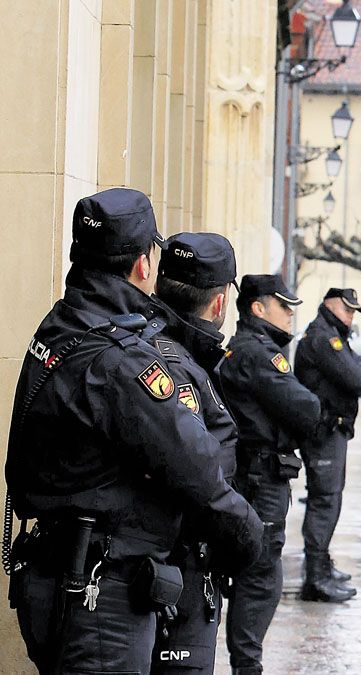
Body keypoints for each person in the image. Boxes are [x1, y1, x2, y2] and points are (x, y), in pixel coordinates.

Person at [5, 188, 263, 674]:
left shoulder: (61, 324)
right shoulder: (123, 360)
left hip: (59, 573)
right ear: (144, 265)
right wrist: (251, 541)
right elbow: (198, 468)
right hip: (102, 596)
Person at [148, 232, 242, 673]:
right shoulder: (179, 364)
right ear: (220, 303)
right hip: (176, 570)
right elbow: (202, 473)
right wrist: (248, 536)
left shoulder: (138, 343)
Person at [219, 274, 322, 674]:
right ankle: (248, 667)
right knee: (260, 577)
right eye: (284, 306)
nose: (291, 314)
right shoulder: (258, 353)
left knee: (259, 574)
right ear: (258, 308)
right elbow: (307, 409)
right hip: (260, 479)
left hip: (256, 475)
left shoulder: (248, 349)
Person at [294, 288, 361, 603]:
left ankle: (321, 566)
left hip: (333, 429)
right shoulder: (324, 338)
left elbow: (360, 369)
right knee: (324, 502)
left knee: (328, 500)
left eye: (354, 311)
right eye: (347, 309)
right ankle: (315, 578)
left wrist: (360, 368)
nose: (351, 316)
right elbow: (357, 378)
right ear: (329, 305)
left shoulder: (333, 335)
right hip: (324, 430)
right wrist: (359, 369)